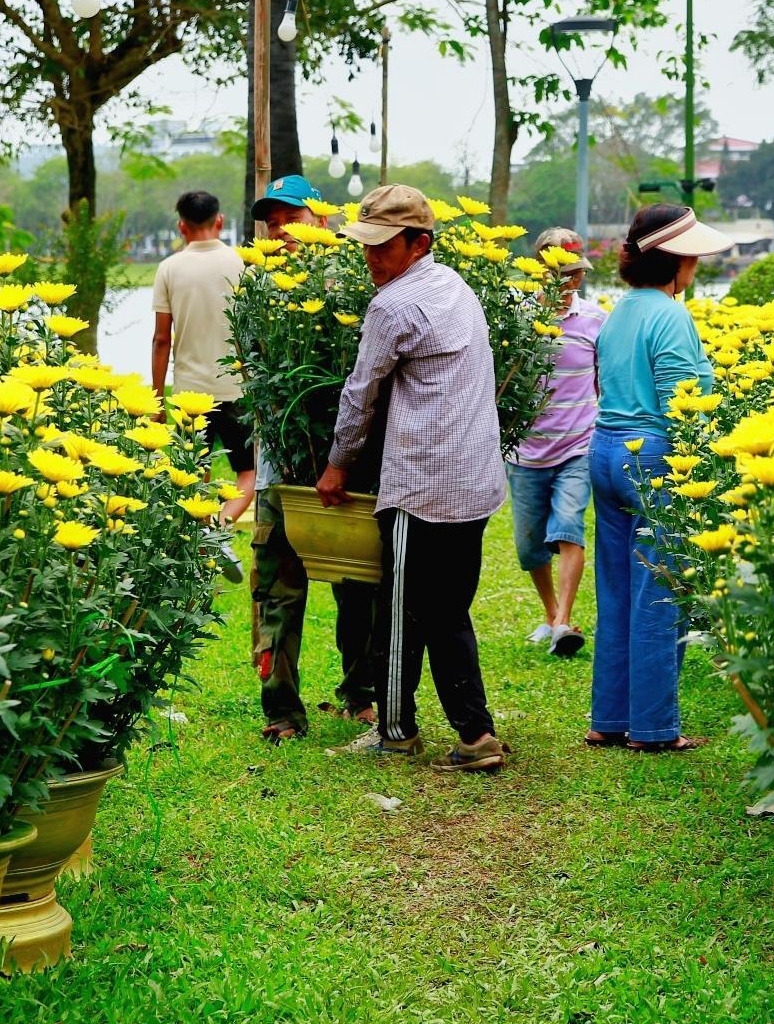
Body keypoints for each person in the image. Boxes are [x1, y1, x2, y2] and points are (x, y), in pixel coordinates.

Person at [317, 184, 509, 773]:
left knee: (403, 611)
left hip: (423, 486)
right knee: (447, 608)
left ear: (418, 243)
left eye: (382, 247)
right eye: (366, 246)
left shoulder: (392, 306)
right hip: (474, 480)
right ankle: (476, 733)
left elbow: (361, 393)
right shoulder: (456, 286)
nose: (371, 258)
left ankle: (399, 730)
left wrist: (336, 464)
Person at [588, 203, 730, 753]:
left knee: (619, 589)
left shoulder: (621, 310)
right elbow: (682, 400)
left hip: (606, 451)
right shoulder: (671, 315)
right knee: (660, 592)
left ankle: (609, 717)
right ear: (676, 259)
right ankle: (651, 727)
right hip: (657, 460)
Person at [244, 174, 382, 742]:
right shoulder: (253, 296)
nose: (280, 231)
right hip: (280, 476)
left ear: (321, 221)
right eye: (272, 223)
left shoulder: (350, 289)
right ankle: (281, 710)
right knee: (276, 592)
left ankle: (362, 695)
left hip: (344, 470)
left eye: (291, 219)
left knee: (358, 587)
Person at [507, 228, 604, 657]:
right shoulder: (518, 319)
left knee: (568, 526)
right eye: (557, 273)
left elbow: (603, 383)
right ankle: (550, 614)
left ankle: (564, 621)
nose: (566, 281)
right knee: (530, 546)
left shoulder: (596, 322)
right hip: (525, 450)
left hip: (578, 445)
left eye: (572, 273)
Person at [151, 190, 253, 526]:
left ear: (182, 227)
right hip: (238, 389)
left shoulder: (169, 269)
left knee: (192, 473)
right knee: (248, 470)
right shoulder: (243, 264)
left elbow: (162, 339)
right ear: (219, 221)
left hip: (190, 393)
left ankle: (203, 536)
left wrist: (157, 401)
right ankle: (223, 526)